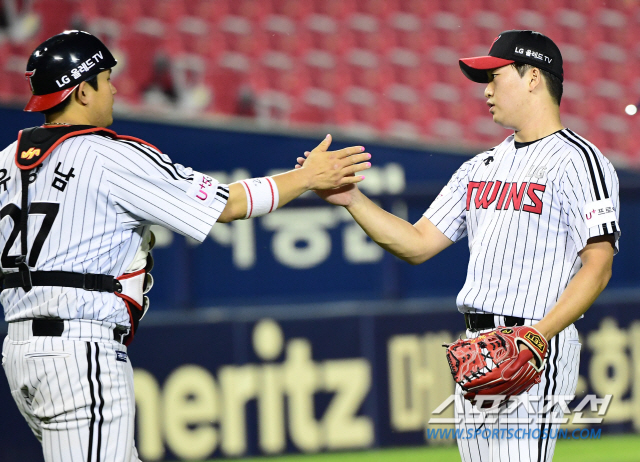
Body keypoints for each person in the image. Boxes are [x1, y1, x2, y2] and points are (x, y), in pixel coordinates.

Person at [0, 30, 371, 462]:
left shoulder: (7, 160)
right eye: (105, 78)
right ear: (82, 91)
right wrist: (307, 178)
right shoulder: (108, 155)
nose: (115, 87)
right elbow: (227, 205)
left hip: (19, 351)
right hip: (78, 351)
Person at [298, 30, 620, 461]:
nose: (486, 90)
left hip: (535, 344)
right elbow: (416, 243)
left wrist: (536, 338)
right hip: (478, 349)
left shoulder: (580, 161)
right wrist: (351, 199)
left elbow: (597, 267)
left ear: (533, 78)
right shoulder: (480, 166)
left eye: (495, 77)